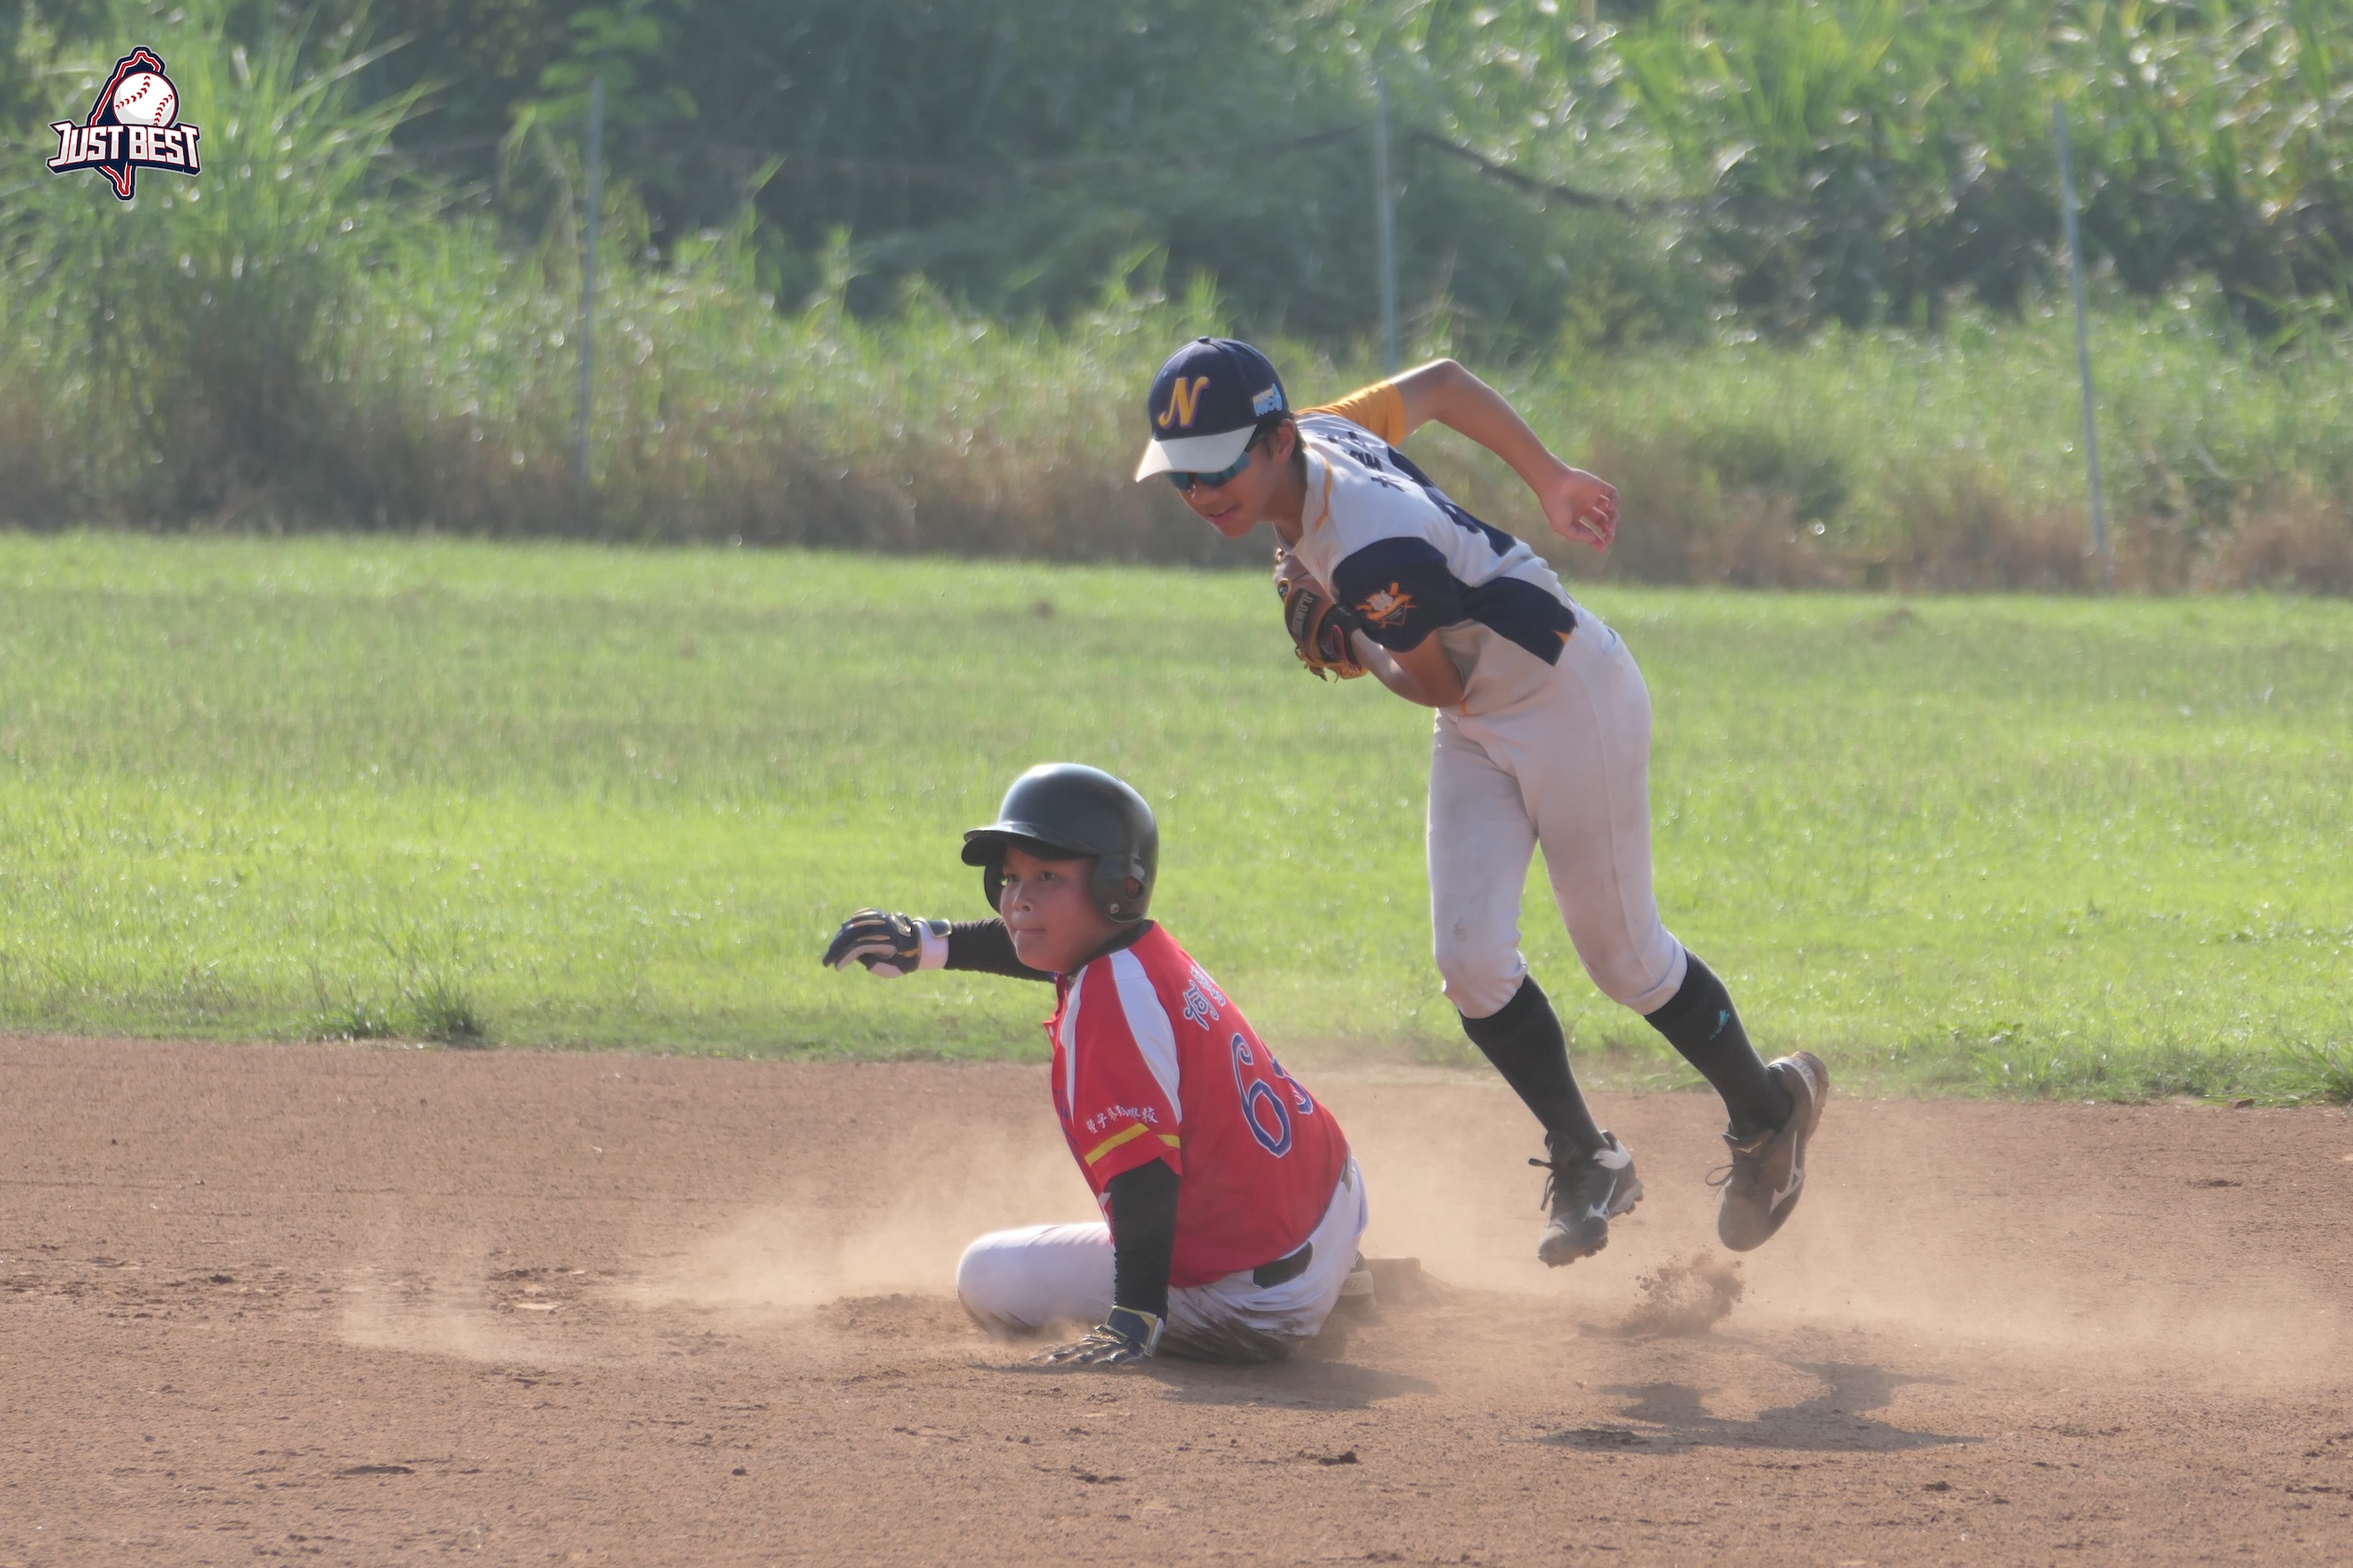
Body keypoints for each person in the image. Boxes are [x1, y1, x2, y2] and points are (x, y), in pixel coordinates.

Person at [1132, 336, 1827, 1266]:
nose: (1200, 494)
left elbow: (1429, 684)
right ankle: (1588, 1157)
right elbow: (1445, 384)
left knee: (1622, 961)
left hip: (1564, 697)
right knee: (1468, 961)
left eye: (1217, 469)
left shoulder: (1366, 546)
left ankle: (1767, 1111)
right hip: (1481, 714)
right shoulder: (1324, 433)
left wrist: (1346, 638)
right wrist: (1547, 477)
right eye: (1181, 477)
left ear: (1273, 442)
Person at [821, 761, 1369, 1365]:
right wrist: (930, 944)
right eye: (1010, 877)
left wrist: (1135, 1316)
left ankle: (1237, 1299)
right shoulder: (1146, 951)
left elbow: (1145, 1178)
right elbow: (1045, 938)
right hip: (1337, 1204)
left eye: (1047, 876)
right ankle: (1346, 1271)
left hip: (1259, 1305)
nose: (1019, 899)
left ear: (1118, 885)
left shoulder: (1109, 1002)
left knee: (985, 1274)